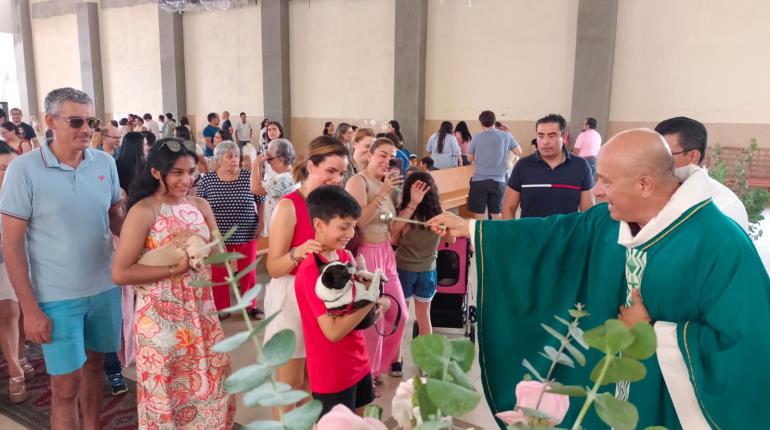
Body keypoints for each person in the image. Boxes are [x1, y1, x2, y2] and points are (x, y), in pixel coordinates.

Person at [429, 128, 770, 429]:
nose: (598, 191)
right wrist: (473, 229)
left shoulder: (720, 245)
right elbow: (550, 236)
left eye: (606, 181)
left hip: (664, 405)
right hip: (604, 392)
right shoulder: (606, 222)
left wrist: (654, 332)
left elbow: (747, 348)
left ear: (644, 184)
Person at [0, 88, 124, 430]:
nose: (86, 128)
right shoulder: (24, 170)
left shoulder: (104, 163)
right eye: (77, 121)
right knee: (64, 387)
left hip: (104, 287)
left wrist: (150, 237)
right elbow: (12, 245)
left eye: (91, 121)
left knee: (96, 370)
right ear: (51, 122)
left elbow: (115, 217)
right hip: (56, 297)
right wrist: (30, 308)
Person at [112, 137, 235, 428]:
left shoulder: (200, 204)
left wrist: (202, 248)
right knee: (168, 393)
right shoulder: (144, 211)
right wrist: (174, 268)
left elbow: (220, 255)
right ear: (156, 172)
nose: (186, 179)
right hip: (160, 321)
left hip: (201, 314)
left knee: (211, 385)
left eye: (191, 172)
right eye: (177, 173)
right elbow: (121, 273)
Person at [263, 136, 349, 419]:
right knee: (289, 385)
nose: (337, 179)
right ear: (311, 166)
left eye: (342, 172)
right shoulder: (289, 206)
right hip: (290, 297)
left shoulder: (335, 204)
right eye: (331, 171)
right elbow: (273, 267)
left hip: (323, 298)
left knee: (316, 384)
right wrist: (298, 253)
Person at [295, 185, 388, 416]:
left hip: (358, 360)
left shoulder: (344, 256)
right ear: (318, 224)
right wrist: (370, 298)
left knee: (360, 421)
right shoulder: (310, 270)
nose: (350, 234)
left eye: (354, 227)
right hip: (331, 372)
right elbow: (333, 331)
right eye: (344, 227)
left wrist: (373, 303)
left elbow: (353, 307)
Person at [345, 137, 409, 381]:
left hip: (386, 254)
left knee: (399, 313)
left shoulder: (386, 185)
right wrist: (384, 191)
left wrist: (412, 204)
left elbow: (392, 229)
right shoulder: (357, 181)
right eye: (382, 154)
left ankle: (378, 365)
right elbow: (359, 221)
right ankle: (368, 374)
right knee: (372, 317)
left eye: (391, 156)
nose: (386, 161)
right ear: (370, 155)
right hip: (366, 253)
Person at [196, 140, 265, 318]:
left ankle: (250, 307)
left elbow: (260, 201)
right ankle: (222, 308)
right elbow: (200, 207)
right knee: (219, 273)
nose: (234, 159)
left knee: (247, 271)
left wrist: (262, 222)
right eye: (229, 156)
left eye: (236, 155)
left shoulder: (248, 176)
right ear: (219, 159)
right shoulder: (208, 180)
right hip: (218, 234)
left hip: (246, 229)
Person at [654, 116, 749, 231]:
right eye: (652, 154)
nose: (654, 162)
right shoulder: (650, 195)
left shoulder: (724, 207)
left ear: (693, 157)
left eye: (665, 155)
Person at [502, 114, 595, 219]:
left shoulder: (581, 166)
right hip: (529, 234)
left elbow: (588, 212)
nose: (545, 141)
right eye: (540, 136)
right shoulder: (523, 166)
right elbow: (508, 207)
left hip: (566, 234)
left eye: (552, 136)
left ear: (564, 137)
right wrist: (511, 234)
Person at [0, 141, 32, 404]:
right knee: (8, 312)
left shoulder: (21, 190)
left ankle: (20, 352)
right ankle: (14, 368)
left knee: (20, 311)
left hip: (22, 257)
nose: (8, 174)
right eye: (2, 168)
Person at [392, 171, 442, 337]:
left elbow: (394, 237)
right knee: (423, 315)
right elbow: (452, 239)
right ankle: (427, 359)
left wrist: (412, 204)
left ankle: (395, 357)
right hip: (428, 270)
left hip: (404, 269)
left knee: (401, 315)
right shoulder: (439, 213)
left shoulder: (406, 214)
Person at [467, 110, 522, 220]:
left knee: (478, 215)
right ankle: (497, 237)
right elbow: (519, 152)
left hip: (479, 181)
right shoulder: (506, 136)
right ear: (494, 121)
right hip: (499, 181)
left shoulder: (476, 137)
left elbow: (469, 158)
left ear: (481, 123)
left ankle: (480, 236)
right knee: (496, 214)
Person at [250, 138, 298, 238]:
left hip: (283, 230)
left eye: (269, 159)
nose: (267, 162)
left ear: (280, 159)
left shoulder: (282, 179)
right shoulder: (293, 174)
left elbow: (255, 188)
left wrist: (256, 163)